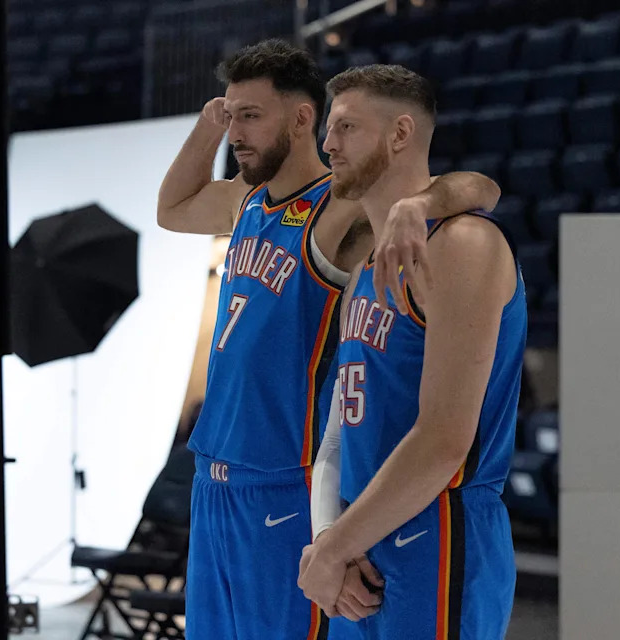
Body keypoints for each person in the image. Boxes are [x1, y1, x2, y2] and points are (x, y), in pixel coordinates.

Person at [157, 40, 501, 640]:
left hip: (284, 476)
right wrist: (210, 124)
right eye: (231, 114)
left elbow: (480, 187)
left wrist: (417, 205)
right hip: (215, 473)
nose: (237, 131)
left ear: (300, 119)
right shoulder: (246, 202)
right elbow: (172, 208)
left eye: (250, 116)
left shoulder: (340, 206)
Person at [298, 64, 527, 640]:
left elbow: (445, 439)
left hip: (439, 535)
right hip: (358, 548)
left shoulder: (463, 243)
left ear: (400, 134)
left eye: (346, 127)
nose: (328, 144)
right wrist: (330, 542)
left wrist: (335, 549)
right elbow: (334, 437)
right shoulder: (359, 278)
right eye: (329, 128)